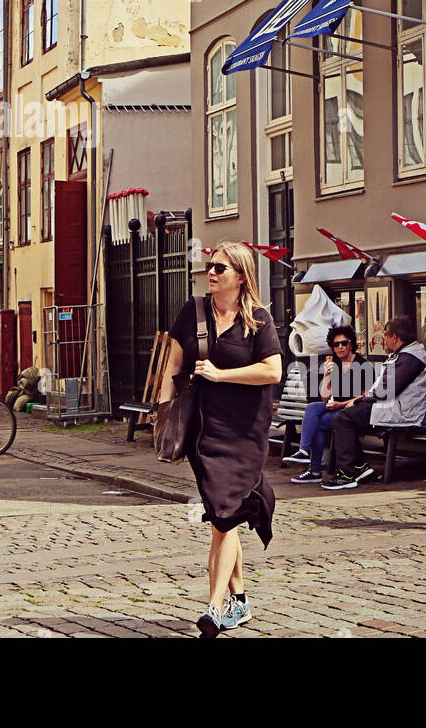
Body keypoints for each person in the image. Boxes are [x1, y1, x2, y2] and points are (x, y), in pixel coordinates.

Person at [158, 241, 283, 638]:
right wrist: (162, 413)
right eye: (209, 267)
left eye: (220, 268)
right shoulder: (193, 311)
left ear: (241, 276)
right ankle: (240, 600)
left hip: (245, 432)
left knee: (224, 518)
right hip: (202, 431)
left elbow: (272, 371)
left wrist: (221, 374)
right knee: (223, 517)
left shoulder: (259, 321)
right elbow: (173, 364)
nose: (211, 273)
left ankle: (214, 607)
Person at [322, 316, 426, 490]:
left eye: (385, 335)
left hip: (402, 411)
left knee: (343, 418)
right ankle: (360, 468)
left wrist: (359, 400)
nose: (384, 340)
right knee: (347, 417)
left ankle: (347, 474)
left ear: (394, 337)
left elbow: (387, 390)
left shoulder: (410, 358)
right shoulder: (406, 354)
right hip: (394, 406)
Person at [284, 325, 368, 483]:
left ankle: (314, 470)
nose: (340, 347)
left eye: (344, 343)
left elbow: (364, 397)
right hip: (335, 406)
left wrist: (340, 404)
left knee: (317, 424)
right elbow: (324, 397)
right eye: (336, 344)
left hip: (352, 410)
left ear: (351, 344)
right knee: (312, 407)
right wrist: (327, 375)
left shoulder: (362, 365)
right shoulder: (335, 363)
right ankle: (304, 450)